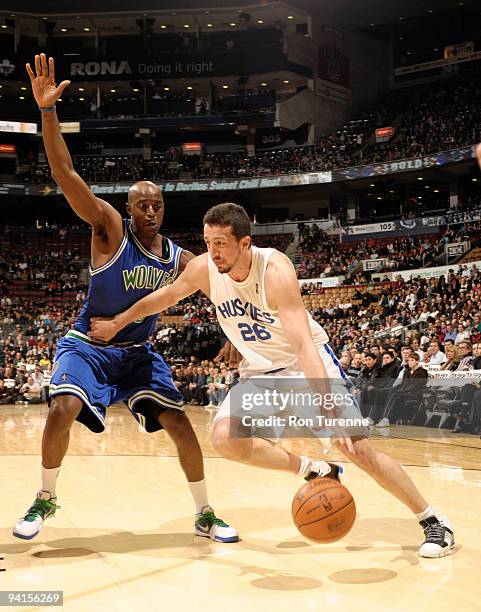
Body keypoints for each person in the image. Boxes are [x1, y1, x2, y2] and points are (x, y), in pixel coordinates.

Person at [90, 202, 455, 559]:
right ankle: (313, 469)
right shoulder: (204, 269)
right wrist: (117, 323)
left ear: (245, 243)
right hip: (262, 371)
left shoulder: (275, 270)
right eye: (207, 242)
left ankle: (434, 521)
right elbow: (164, 297)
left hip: (303, 363)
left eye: (220, 243)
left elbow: (303, 344)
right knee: (225, 438)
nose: (212, 251)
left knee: (355, 446)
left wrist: (327, 405)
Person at [13, 53, 238, 544]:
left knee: (179, 422)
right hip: (88, 346)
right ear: (130, 208)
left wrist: (233, 333)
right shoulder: (109, 229)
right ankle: (44, 497)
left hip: (137, 355)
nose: (151, 210)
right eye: (142, 204)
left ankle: (204, 513)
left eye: (157, 204)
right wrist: (47, 114)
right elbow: (66, 175)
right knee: (60, 410)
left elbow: (217, 285)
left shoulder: (178, 256)